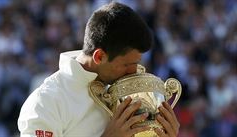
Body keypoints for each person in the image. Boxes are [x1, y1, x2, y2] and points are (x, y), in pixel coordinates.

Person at [18, 2, 180, 137]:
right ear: (99, 56)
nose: (135, 72)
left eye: (136, 63)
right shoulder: (47, 101)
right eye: (126, 65)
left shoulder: (130, 91)